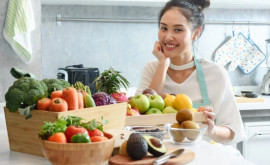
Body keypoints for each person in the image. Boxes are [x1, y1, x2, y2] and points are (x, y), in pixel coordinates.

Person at [136, 0, 246, 145]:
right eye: (163, 28)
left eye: (178, 30)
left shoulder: (215, 73)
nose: (168, 37)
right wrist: (163, 63)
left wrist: (211, 129)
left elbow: (233, 131)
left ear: (196, 33)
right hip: (160, 155)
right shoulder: (151, 69)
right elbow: (141, 121)